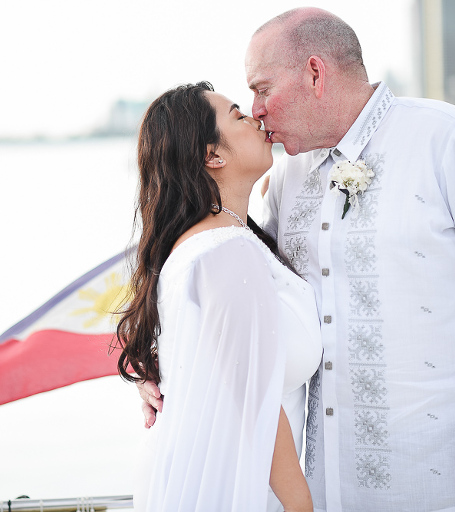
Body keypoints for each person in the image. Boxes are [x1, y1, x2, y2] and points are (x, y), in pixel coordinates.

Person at [139, 8, 455, 512]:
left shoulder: (447, 140)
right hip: (325, 489)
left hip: (448, 485)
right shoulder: (288, 176)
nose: (257, 110)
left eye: (262, 89)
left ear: (315, 74)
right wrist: (161, 362)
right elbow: (229, 288)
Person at [115, 81, 322, 512]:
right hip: (224, 484)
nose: (256, 117)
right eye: (238, 115)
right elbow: (256, 398)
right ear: (213, 156)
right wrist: (301, 505)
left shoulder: (213, 241)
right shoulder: (227, 249)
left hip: (208, 470)